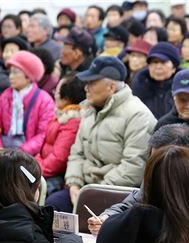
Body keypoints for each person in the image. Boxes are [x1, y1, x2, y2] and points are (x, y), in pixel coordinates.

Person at [89, 123, 189, 236]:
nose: (158, 170)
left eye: (164, 164)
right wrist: (108, 218)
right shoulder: (159, 172)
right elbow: (132, 204)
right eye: (154, 162)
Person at [45, 57, 156, 212]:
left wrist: (94, 192)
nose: (86, 88)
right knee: (52, 205)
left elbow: (134, 166)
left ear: (111, 87)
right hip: (85, 188)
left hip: (117, 194)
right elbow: (77, 153)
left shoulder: (138, 115)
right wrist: (74, 184)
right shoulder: (89, 111)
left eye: (92, 83)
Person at [0, 51, 55, 155]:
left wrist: (22, 152)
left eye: (16, 72)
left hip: (30, 157)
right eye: (10, 72)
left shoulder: (44, 100)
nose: (10, 76)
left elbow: (44, 134)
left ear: (28, 77)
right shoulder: (5, 96)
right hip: (4, 153)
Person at [35, 74, 85, 196]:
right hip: (44, 170)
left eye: (56, 91)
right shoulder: (60, 116)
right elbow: (43, 150)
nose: (54, 95)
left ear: (67, 97)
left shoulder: (73, 121)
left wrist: (36, 169)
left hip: (54, 177)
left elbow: (59, 159)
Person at [131, 41, 180, 119]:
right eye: (154, 62)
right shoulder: (139, 88)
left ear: (174, 67)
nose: (158, 67)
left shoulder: (182, 88)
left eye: (163, 62)